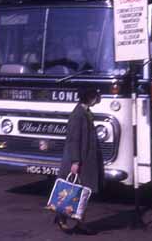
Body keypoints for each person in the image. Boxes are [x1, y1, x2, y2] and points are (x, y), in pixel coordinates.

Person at [56, 86, 103, 235]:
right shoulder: (78, 115)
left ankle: (79, 222)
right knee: (72, 191)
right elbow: (74, 140)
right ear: (90, 98)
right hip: (79, 160)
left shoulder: (85, 112)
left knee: (82, 193)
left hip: (86, 159)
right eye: (95, 96)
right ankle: (62, 219)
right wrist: (75, 161)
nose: (97, 99)